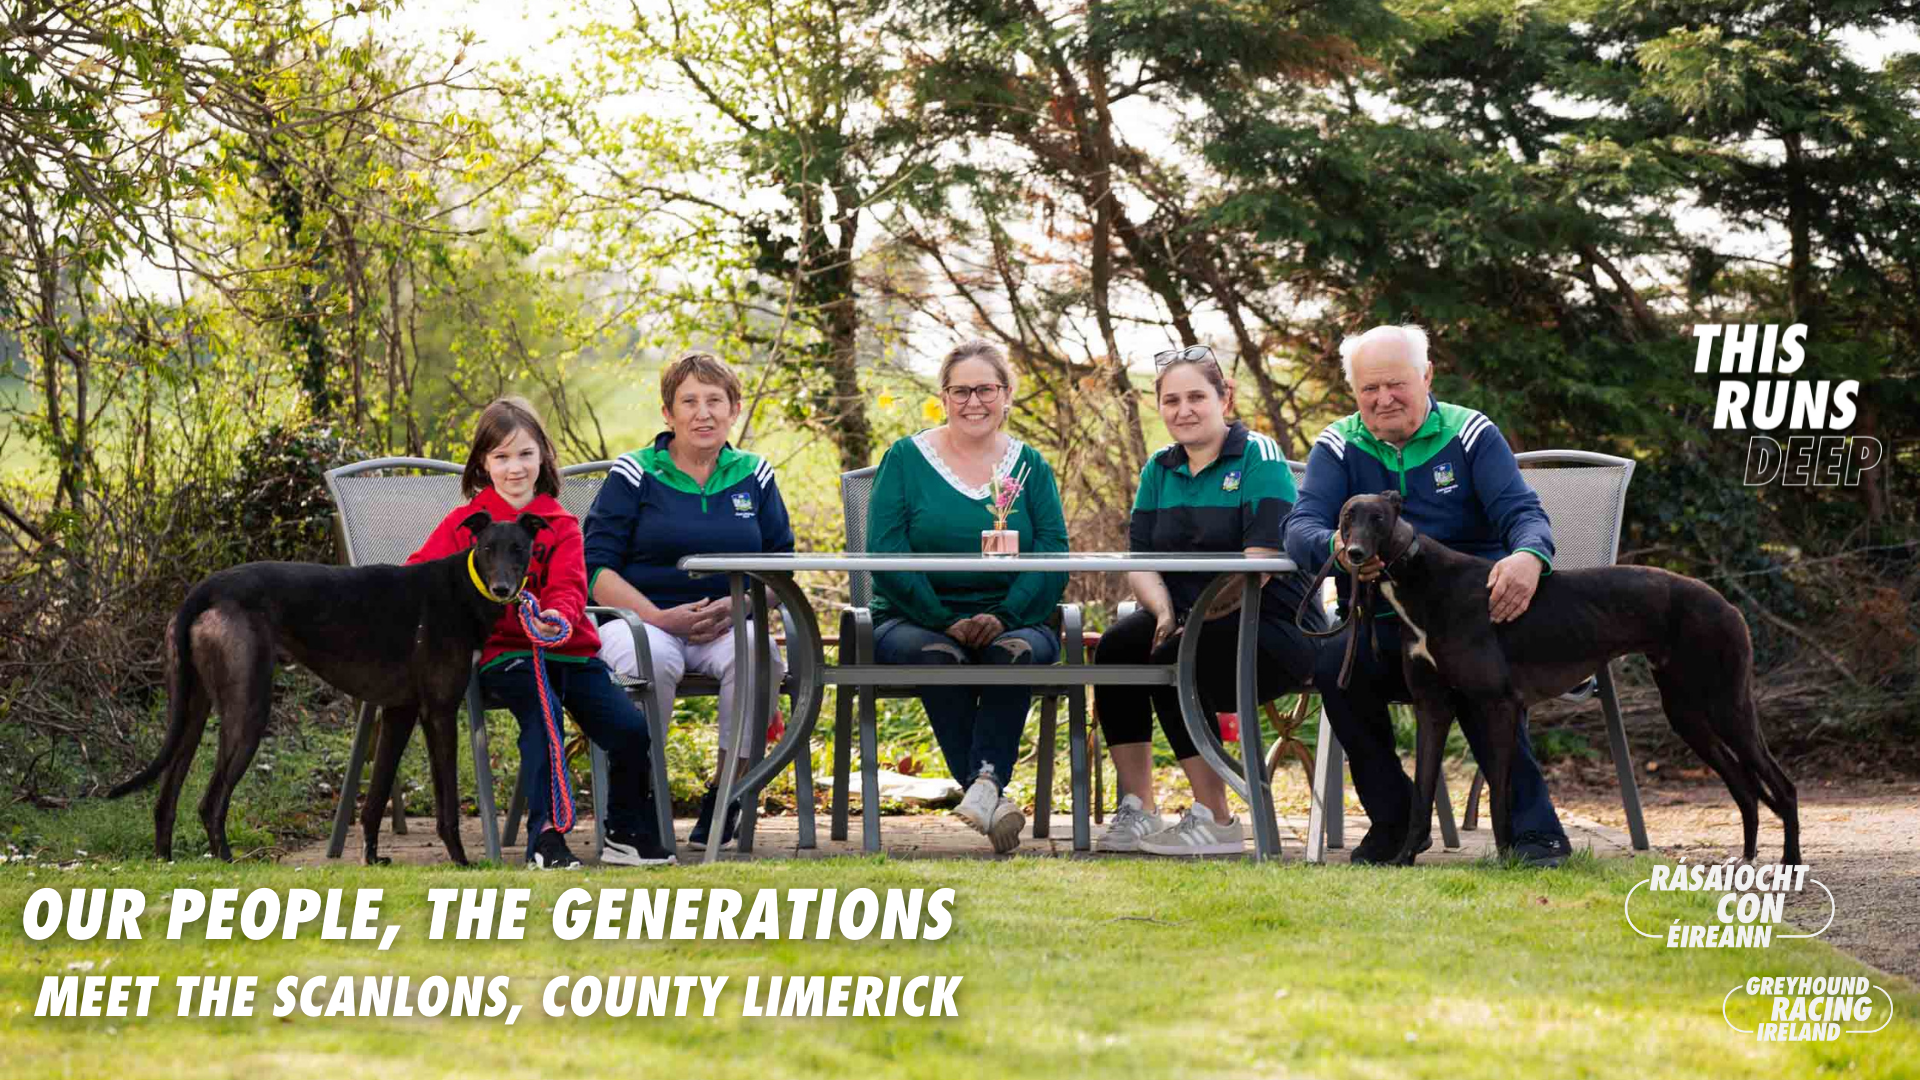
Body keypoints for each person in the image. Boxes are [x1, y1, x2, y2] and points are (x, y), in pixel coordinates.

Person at [1283, 324, 1573, 866]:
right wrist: (1340, 545)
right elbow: (1300, 527)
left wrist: (1530, 556)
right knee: (1331, 666)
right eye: (1369, 389)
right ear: (1355, 393)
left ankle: (1535, 832)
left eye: (1396, 384)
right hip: (1377, 627)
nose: (1383, 398)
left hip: (1472, 622)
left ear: (1426, 377)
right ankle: (1394, 824)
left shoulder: (1470, 433)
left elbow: (1523, 514)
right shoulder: (1338, 443)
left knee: (1472, 672)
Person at [408, 397, 672, 870]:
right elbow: (416, 576)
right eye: (502, 457)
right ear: (483, 464)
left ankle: (626, 833)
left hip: (569, 650)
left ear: (543, 458)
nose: (515, 468)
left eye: (525, 454)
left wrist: (557, 618)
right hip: (503, 655)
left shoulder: (560, 524)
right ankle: (545, 839)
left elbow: (571, 587)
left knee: (629, 728)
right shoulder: (465, 524)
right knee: (542, 712)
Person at [1092, 346, 1324, 856]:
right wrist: (1166, 613)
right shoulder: (1159, 468)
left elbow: (1256, 568)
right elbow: (1141, 563)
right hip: (1191, 624)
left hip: (1276, 628)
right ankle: (1138, 809)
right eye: (1171, 400)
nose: (1184, 409)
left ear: (1225, 397)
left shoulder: (1258, 457)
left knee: (1178, 656)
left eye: (1197, 396)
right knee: (1116, 648)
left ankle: (1216, 820)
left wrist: (1186, 626)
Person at [584, 351, 794, 852]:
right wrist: (657, 616)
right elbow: (594, 568)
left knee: (758, 655)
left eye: (714, 401)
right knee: (648, 658)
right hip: (641, 618)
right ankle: (642, 796)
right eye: (689, 401)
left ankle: (728, 795)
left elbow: (780, 565)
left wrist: (740, 606)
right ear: (668, 413)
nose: (703, 413)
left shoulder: (755, 475)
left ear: (734, 409)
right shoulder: (634, 473)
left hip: (726, 619)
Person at [867, 338, 1069, 854]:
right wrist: (940, 617)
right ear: (944, 396)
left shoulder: (1031, 467)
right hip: (916, 619)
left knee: (1015, 652)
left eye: (986, 389)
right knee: (940, 654)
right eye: (961, 391)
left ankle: (982, 790)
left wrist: (1004, 616)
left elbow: (1052, 555)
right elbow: (885, 555)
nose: (973, 401)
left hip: (1015, 618)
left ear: (1006, 396)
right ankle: (991, 791)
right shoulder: (906, 459)